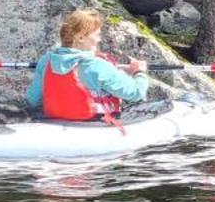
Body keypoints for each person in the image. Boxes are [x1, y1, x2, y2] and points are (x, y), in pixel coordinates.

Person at [26, 9, 154, 121]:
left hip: (56, 121)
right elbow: (136, 93)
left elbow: (33, 99)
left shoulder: (46, 61)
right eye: (97, 35)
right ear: (80, 38)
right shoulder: (96, 65)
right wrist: (139, 72)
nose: (99, 39)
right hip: (94, 125)